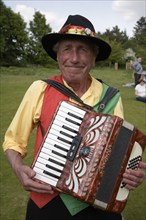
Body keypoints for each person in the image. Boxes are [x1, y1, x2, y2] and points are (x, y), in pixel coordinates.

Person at [2, 15, 146, 220]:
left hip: (97, 203)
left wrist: (131, 174)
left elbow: (119, 155)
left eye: (83, 49)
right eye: (67, 48)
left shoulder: (111, 97)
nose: (74, 58)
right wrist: (18, 168)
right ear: (58, 55)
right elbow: (13, 142)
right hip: (47, 200)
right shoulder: (40, 89)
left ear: (94, 57)